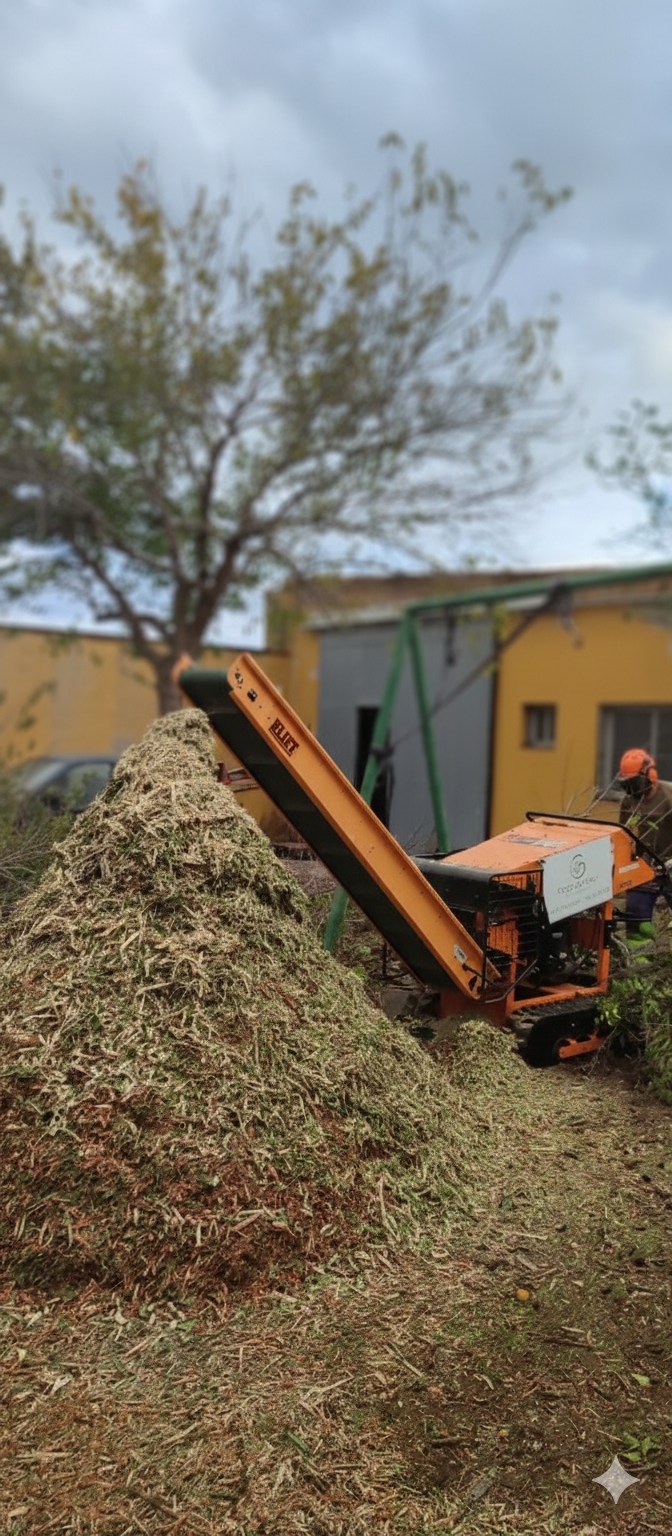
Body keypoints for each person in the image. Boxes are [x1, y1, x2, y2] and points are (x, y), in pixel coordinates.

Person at [617, 748, 672, 938]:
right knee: (635, 918)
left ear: (651, 775)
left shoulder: (669, 796)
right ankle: (640, 960)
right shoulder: (629, 802)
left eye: (635, 783)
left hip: (670, 863)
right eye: (628, 784)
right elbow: (623, 834)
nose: (632, 789)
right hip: (644, 865)